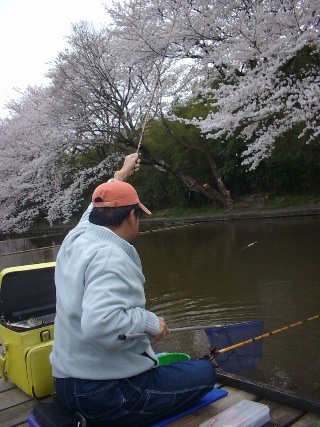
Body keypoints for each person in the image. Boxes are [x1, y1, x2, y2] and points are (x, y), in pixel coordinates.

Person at [50, 153, 216, 427]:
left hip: (66, 384)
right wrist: (151, 323)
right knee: (204, 372)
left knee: (180, 368)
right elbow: (100, 324)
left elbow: (92, 208)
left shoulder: (78, 235)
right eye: (138, 215)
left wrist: (121, 175)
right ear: (130, 216)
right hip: (103, 394)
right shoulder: (109, 257)